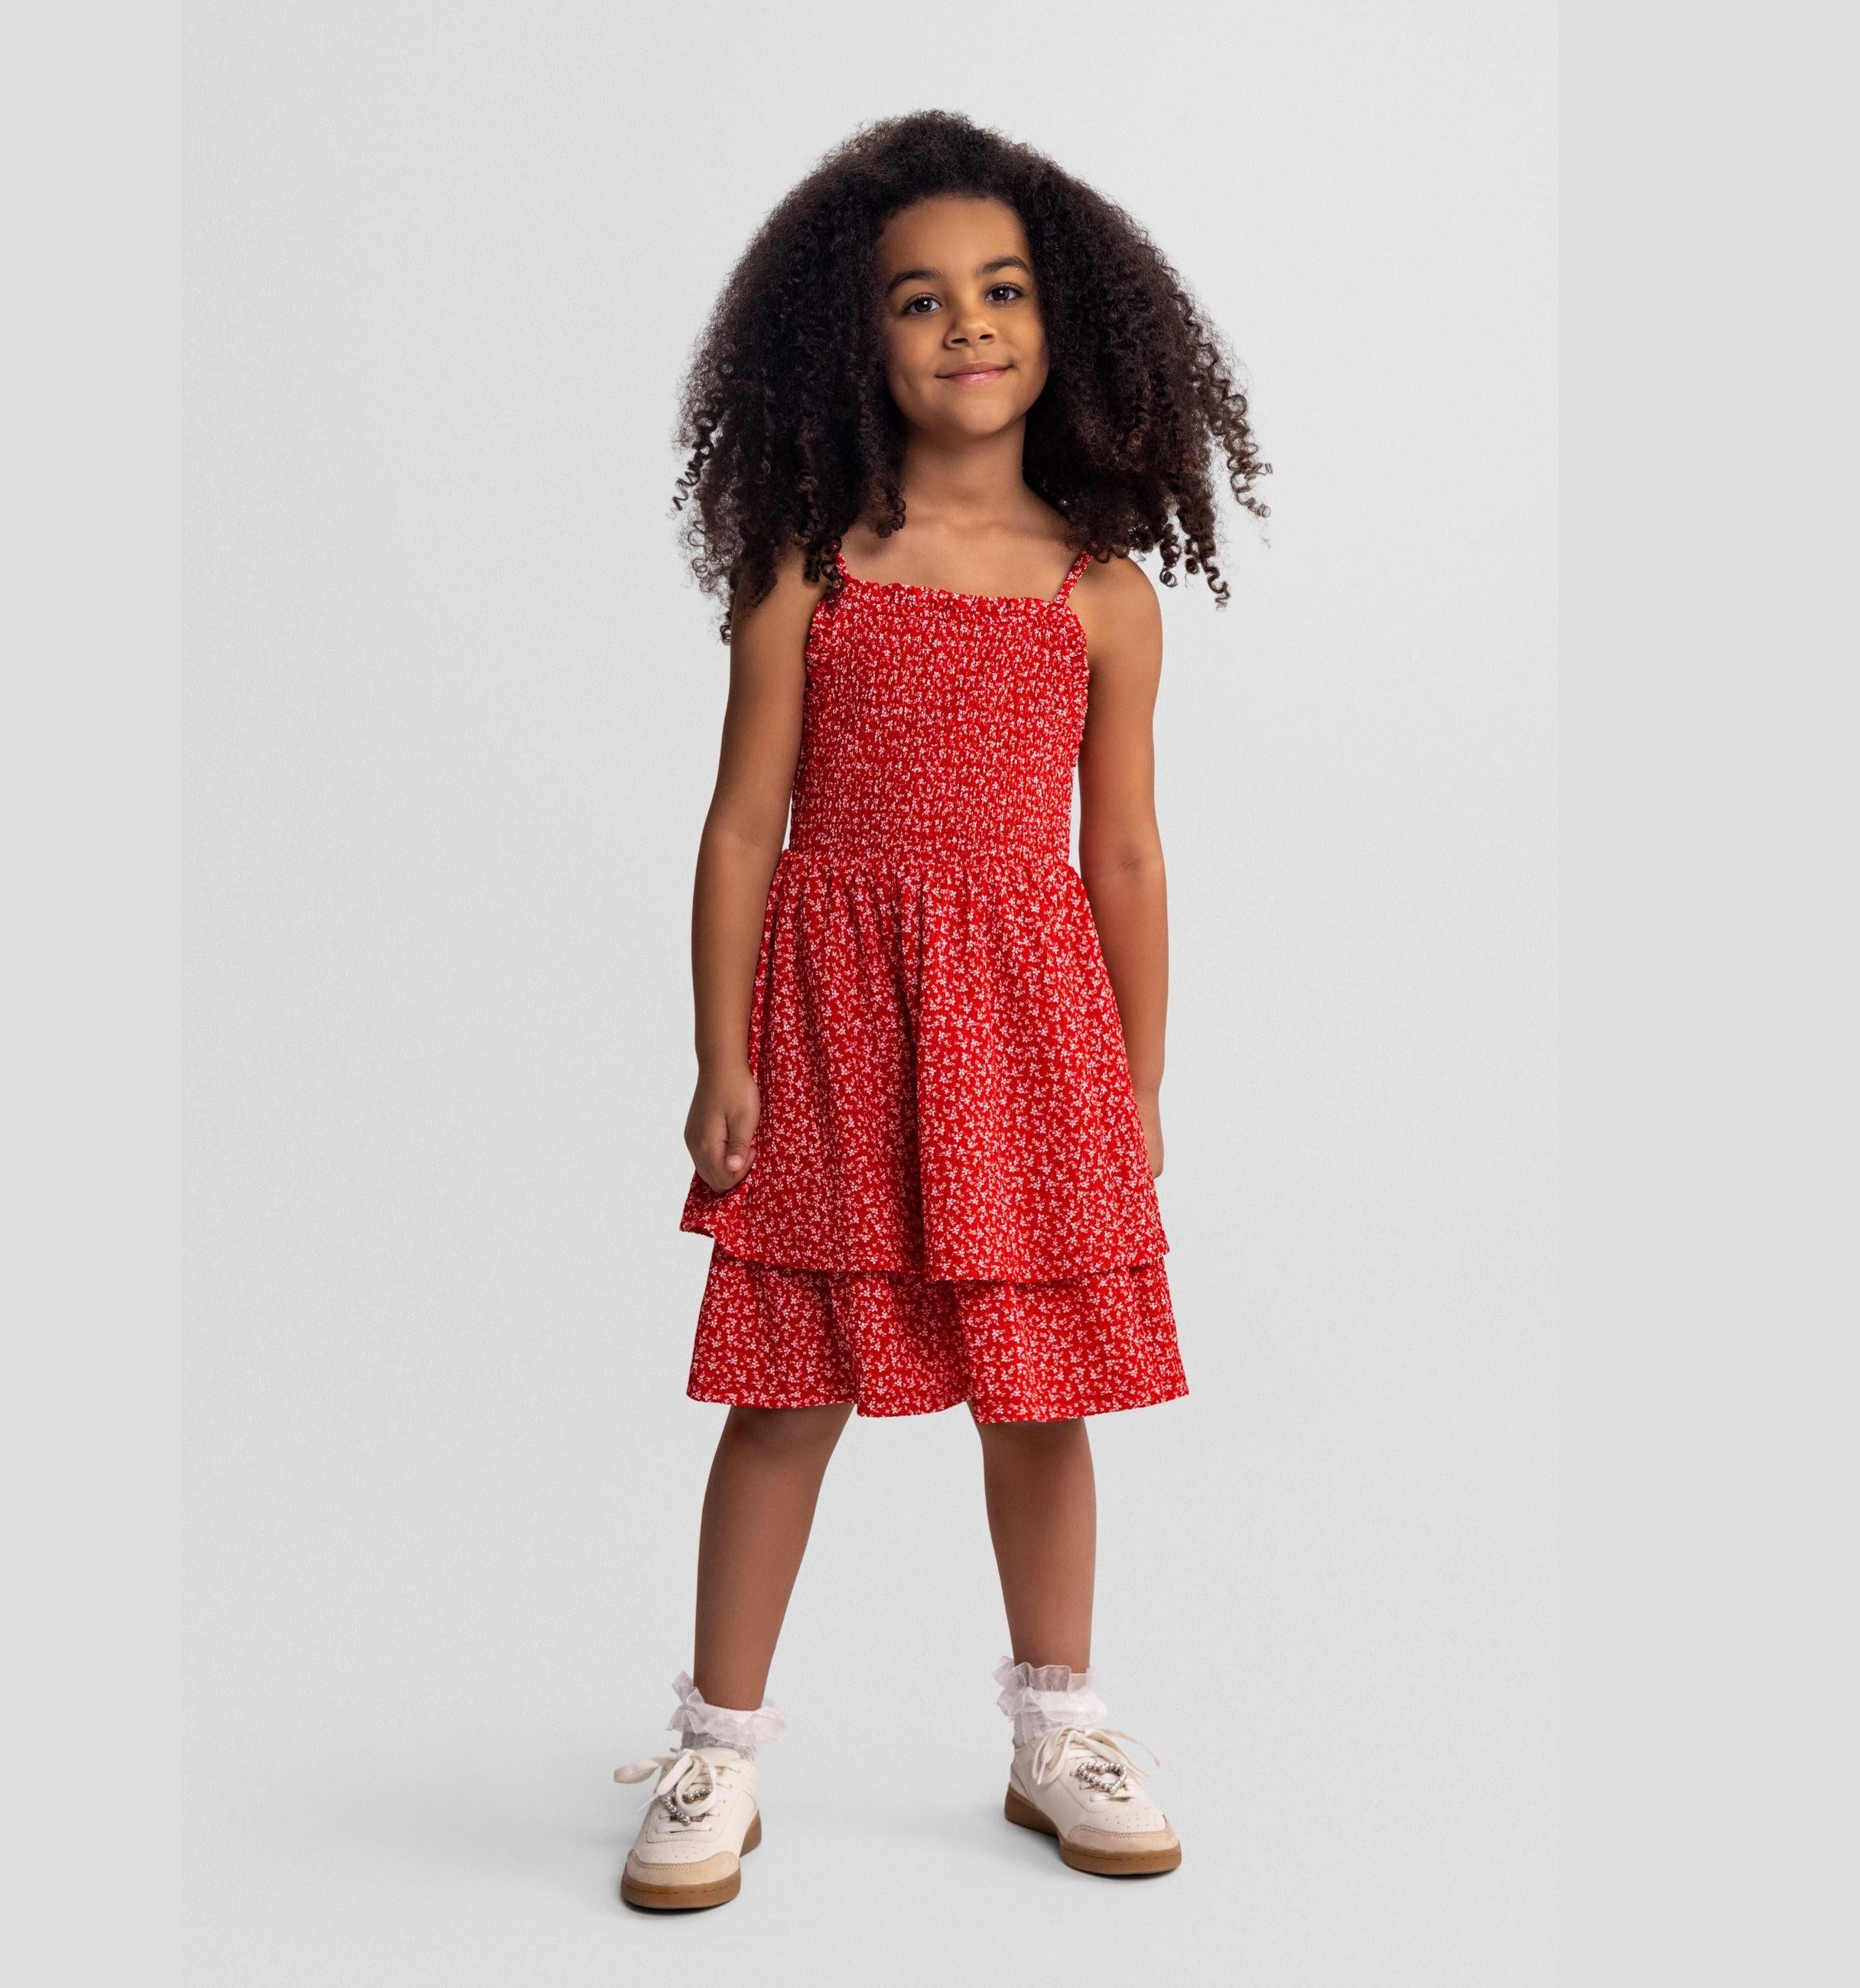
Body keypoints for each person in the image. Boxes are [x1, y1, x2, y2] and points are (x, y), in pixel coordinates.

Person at [612, 109, 1270, 1911]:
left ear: (1067, 324)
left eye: (1001, 289)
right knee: (783, 1386)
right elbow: (746, 820)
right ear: (856, 341)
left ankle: (1056, 1724)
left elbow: (1120, 856)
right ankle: (716, 1743)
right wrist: (720, 1050)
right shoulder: (810, 574)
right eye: (919, 298)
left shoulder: (1102, 597)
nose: (967, 324)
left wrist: (1134, 1082)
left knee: (1037, 1393)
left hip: (1026, 1028)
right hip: (831, 1026)